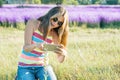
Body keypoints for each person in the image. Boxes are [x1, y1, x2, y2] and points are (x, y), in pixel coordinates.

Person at [16, 6, 69, 80]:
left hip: (42, 67)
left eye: (59, 23)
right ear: (50, 15)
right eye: (55, 19)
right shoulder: (33, 23)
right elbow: (26, 48)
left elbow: (60, 59)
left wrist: (63, 54)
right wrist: (36, 45)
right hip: (25, 67)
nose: (55, 23)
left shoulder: (55, 35)